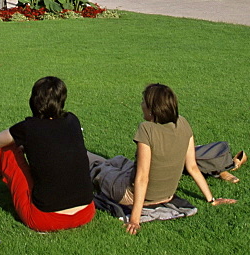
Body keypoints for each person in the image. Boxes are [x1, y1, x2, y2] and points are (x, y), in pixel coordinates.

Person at [87, 83, 238, 235]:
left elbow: (142, 178)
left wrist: (134, 219)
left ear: (152, 110)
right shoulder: (183, 123)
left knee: (97, 166)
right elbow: (192, 167)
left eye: (143, 102)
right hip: (166, 195)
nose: (141, 105)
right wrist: (211, 199)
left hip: (130, 195)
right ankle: (109, 166)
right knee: (119, 160)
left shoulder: (147, 129)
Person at [0, 76, 95, 233]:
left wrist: (20, 143)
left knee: (5, 151)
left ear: (34, 100)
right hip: (86, 212)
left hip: (44, 218)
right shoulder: (73, 120)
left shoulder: (29, 127)